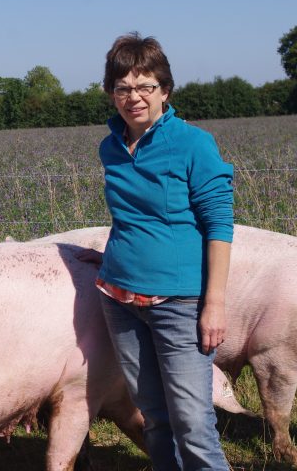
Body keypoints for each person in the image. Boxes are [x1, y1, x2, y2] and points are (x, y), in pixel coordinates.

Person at [95, 33, 234, 470]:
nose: (133, 97)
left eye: (145, 86)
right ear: (111, 93)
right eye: (122, 88)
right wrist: (106, 257)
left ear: (165, 91)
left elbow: (219, 225)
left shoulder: (194, 144)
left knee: (192, 421)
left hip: (179, 303)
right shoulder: (110, 147)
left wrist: (214, 304)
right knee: (154, 418)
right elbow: (130, 218)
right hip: (119, 299)